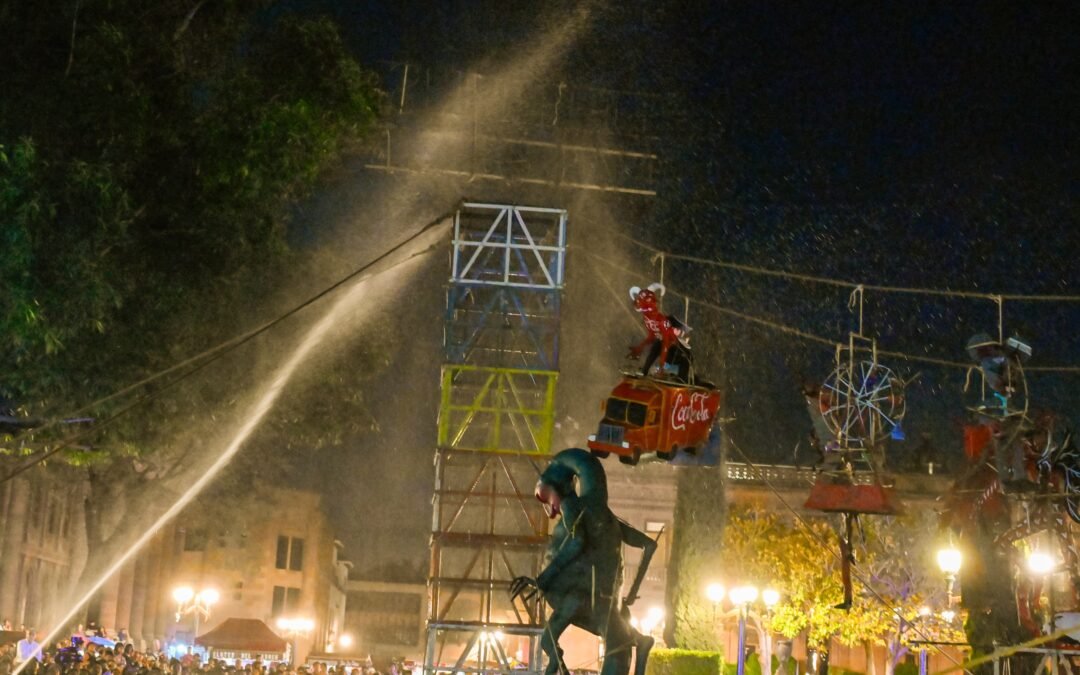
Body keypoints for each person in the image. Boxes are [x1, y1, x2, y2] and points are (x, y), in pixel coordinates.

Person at [627, 283, 693, 383]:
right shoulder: (647, 319)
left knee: (683, 361)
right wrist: (639, 348)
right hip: (663, 343)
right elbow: (651, 337)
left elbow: (666, 342)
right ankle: (645, 371)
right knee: (656, 345)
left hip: (673, 349)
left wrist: (662, 366)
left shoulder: (662, 321)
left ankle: (682, 381)